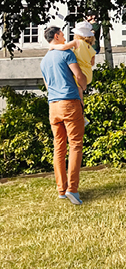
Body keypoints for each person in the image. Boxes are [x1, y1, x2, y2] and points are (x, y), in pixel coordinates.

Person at [39, 25, 87, 205]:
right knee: (75, 145)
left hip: (53, 106)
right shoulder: (67, 54)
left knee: (59, 147)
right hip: (70, 102)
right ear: (57, 36)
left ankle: (61, 189)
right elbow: (78, 75)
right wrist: (83, 85)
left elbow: (47, 85)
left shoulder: (44, 61)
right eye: (62, 34)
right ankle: (72, 190)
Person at [51, 21, 97, 127]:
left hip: (80, 73)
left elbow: (63, 47)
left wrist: (53, 47)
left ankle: (82, 116)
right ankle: (82, 116)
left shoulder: (77, 42)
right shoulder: (91, 49)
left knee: (79, 97)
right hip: (88, 74)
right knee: (80, 95)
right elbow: (92, 63)